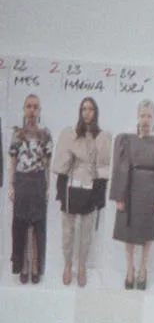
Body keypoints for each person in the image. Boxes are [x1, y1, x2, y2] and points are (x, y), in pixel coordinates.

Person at [53, 95, 112, 288]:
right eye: (84, 109)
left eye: (90, 109)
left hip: (90, 187)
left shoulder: (102, 138)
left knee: (86, 233)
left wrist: (99, 196)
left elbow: (103, 167)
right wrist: (61, 191)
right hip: (71, 187)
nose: (87, 113)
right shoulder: (70, 135)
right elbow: (62, 166)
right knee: (68, 232)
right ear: (80, 112)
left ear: (96, 113)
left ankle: (82, 266)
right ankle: (67, 265)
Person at [111, 99, 154, 290]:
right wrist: (119, 196)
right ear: (137, 116)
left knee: (147, 231)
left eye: (149, 116)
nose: (145, 120)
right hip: (130, 188)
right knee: (128, 232)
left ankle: (143, 268)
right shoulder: (127, 140)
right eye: (142, 115)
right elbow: (119, 168)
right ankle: (130, 269)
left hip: (150, 190)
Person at [9, 94, 54, 284]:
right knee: (21, 226)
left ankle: (35, 265)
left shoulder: (45, 134)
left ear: (39, 110)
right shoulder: (17, 134)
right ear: (24, 109)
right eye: (28, 106)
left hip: (38, 181)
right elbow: (12, 161)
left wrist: (48, 187)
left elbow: (48, 164)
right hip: (21, 181)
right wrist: (11, 185)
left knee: (37, 226)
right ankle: (24, 266)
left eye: (35, 107)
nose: (32, 110)